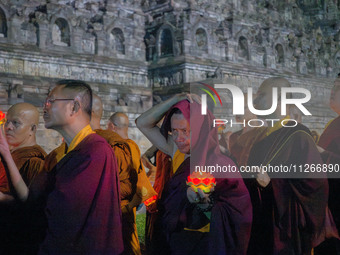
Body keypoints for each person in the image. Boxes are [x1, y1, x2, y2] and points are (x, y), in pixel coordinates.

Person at [1, 80, 124, 254]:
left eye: (51, 101)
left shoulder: (96, 151)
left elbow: (66, 216)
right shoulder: (58, 155)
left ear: (74, 107)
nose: (45, 106)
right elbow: (30, 199)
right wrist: (6, 154)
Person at [136, 94, 252, 255]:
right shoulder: (177, 152)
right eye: (174, 131)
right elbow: (142, 123)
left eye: (185, 131)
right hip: (173, 240)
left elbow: (240, 216)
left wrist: (205, 205)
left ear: (201, 130)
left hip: (202, 244)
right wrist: (176, 98)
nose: (178, 138)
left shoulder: (221, 164)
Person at [246, 77, 337, 255]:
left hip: (288, 232)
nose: (256, 101)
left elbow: (316, 186)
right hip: (263, 225)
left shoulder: (299, 135)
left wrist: (274, 183)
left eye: (262, 95)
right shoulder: (258, 140)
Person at [92, 94, 155, 255]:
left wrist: (126, 207)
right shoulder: (132, 146)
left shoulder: (117, 146)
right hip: (125, 208)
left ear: (110, 125)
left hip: (117, 209)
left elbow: (134, 185)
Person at [0, 103, 47, 254]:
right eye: (7, 121)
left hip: (17, 239)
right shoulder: (10, 154)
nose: (8, 127)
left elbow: (34, 206)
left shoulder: (36, 162)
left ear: (32, 129)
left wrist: (3, 199)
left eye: (16, 123)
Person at [316, 76, 340, 254]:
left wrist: (322, 154)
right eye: (333, 87)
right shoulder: (333, 124)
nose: (332, 92)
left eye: (338, 88)